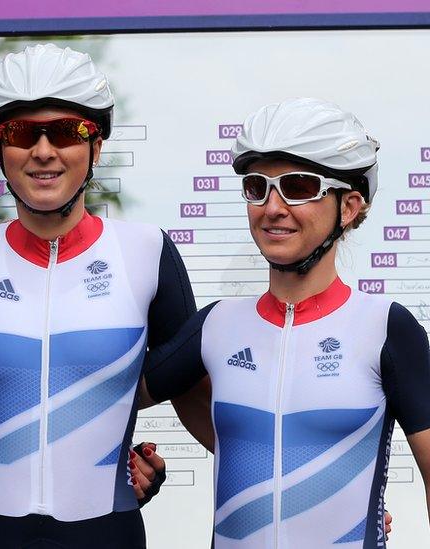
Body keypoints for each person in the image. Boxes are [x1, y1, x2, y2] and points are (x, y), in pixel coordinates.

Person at [0, 43, 212, 548]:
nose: (44, 150)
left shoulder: (147, 252)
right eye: (20, 132)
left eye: (66, 131)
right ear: (0, 149)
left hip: (107, 529)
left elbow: (203, 405)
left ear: (96, 147)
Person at [142, 97, 430, 547]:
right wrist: (127, 466)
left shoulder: (386, 328)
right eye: (258, 187)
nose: (272, 207)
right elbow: (98, 397)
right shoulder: (217, 325)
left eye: (298, 186)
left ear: (349, 206)